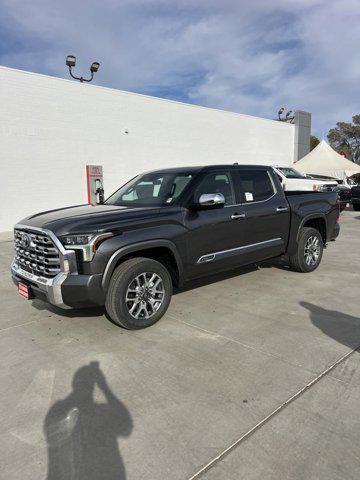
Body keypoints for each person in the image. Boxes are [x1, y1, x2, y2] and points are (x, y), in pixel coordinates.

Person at [44, 361, 133, 480]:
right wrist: (105, 388)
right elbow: (126, 427)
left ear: (74, 384)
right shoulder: (100, 412)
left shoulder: (58, 410)